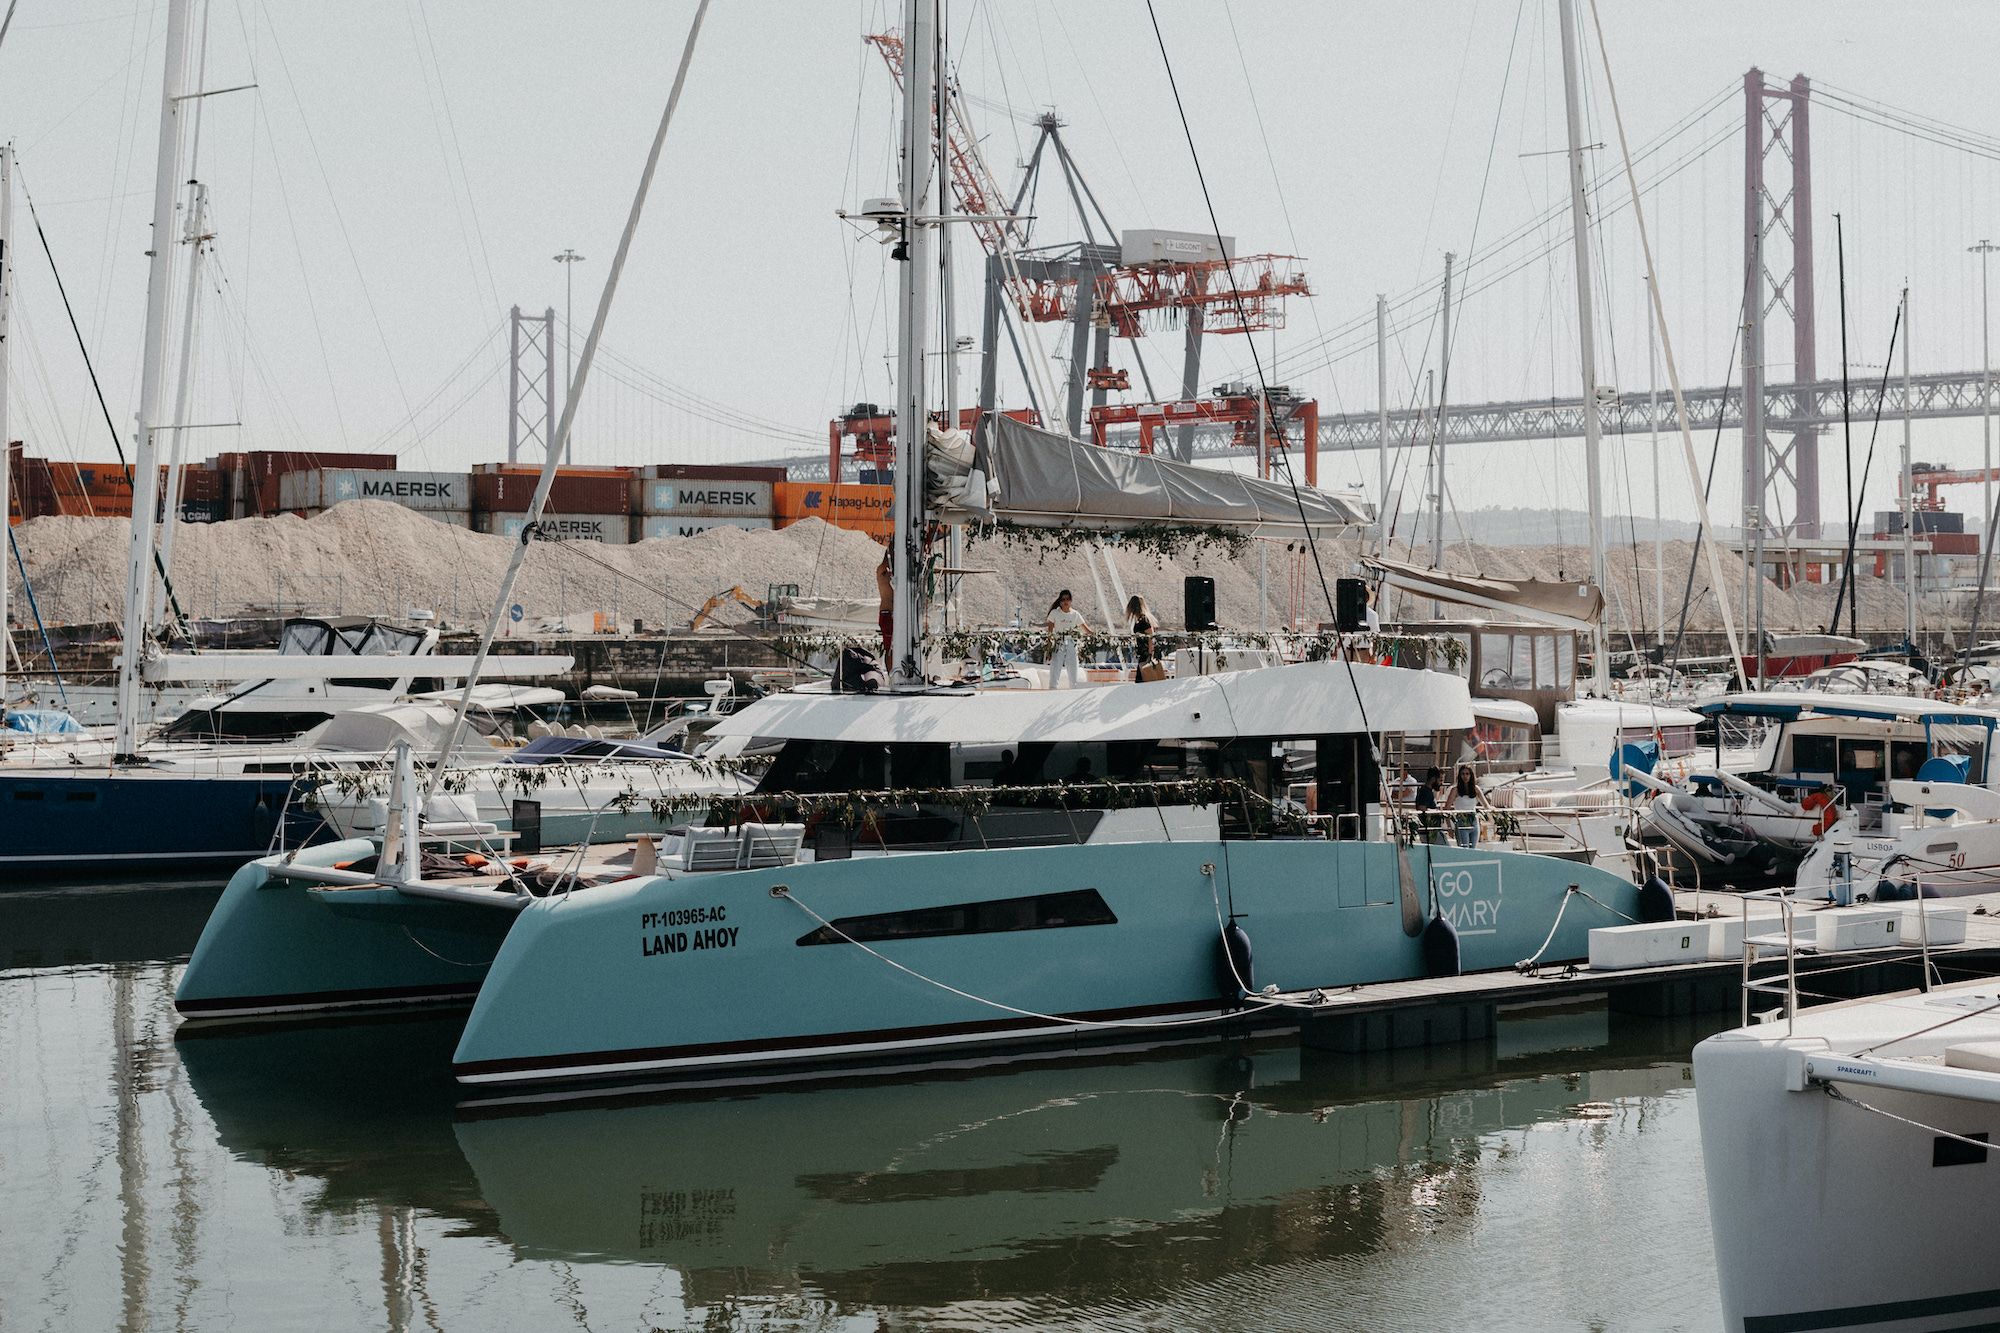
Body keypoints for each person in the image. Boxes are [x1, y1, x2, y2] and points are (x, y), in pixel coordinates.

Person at [1044, 589, 1089, 689]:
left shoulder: (1075, 614)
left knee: (1073, 670)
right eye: (1063, 599)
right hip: (1058, 643)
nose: (1065, 602)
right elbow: (1050, 632)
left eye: (1068, 599)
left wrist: (1098, 635)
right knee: (1055, 670)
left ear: (1071, 600)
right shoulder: (1055, 613)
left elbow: (1085, 629)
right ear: (1060, 601)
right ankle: (1052, 690)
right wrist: (1049, 649)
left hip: (1071, 644)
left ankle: (1073, 690)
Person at [1125, 594, 1158, 681]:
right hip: (1144, 654)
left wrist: (1150, 655)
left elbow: (1151, 637)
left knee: (1140, 680)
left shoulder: (1143, 620)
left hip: (1145, 655)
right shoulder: (1141, 619)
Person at [1451, 763, 1482, 848]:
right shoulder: (1455, 790)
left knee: (1473, 849)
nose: (1465, 776)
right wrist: (1450, 827)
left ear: (1471, 775)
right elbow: (1447, 808)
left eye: (1467, 774)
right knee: (1464, 850)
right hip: (1461, 821)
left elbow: (1486, 805)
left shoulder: (1476, 789)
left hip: (1474, 821)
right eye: (1463, 774)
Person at [1413, 766, 1446, 843]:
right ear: (1433, 779)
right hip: (1429, 831)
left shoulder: (1428, 791)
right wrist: (1437, 812)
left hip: (1430, 830)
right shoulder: (1425, 792)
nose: (1441, 783)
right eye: (1440, 780)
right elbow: (1421, 808)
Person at [875, 550, 894, 662]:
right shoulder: (882, 572)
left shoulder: (893, 575)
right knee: (889, 648)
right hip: (887, 613)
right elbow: (883, 566)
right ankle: (892, 673)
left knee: (893, 646)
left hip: (893, 613)